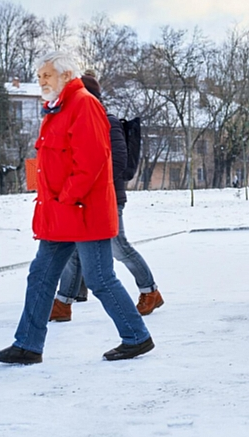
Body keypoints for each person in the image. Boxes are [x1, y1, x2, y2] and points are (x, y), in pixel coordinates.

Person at [0, 52, 153, 364]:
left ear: (66, 75)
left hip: (84, 211)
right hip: (60, 214)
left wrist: (66, 197)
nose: (41, 81)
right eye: (39, 76)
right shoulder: (56, 109)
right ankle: (28, 345)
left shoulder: (83, 104)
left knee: (99, 278)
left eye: (47, 75)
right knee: (40, 275)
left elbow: (91, 162)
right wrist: (54, 204)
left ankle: (137, 337)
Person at [48, 72, 164, 322]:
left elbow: (119, 162)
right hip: (83, 198)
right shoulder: (82, 121)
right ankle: (63, 303)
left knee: (118, 247)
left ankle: (150, 291)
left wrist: (88, 179)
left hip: (108, 198)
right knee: (73, 249)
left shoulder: (107, 121)